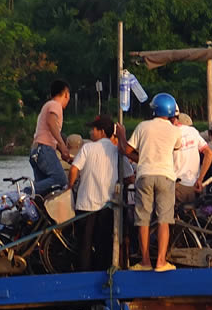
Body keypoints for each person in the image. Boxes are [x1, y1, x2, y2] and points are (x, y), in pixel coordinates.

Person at [124, 92, 183, 272]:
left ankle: (145, 261)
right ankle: (161, 262)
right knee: (164, 220)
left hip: (145, 175)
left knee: (143, 220)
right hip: (166, 176)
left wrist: (139, 156)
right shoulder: (175, 130)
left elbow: (127, 150)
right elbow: (177, 147)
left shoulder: (143, 126)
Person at [67, 117, 129, 270]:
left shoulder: (87, 148)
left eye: (93, 129)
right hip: (107, 206)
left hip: (86, 204)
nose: (91, 132)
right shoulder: (117, 151)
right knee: (103, 244)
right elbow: (130, 176)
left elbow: (74, 169)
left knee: (84, 244)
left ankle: (84, 274)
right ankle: (103, 273)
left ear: (101, 132)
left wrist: (70, 186)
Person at [30, 80, 72, 195]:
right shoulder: (55, 105)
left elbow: (51, 132)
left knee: (43, 192)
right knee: (60, 179)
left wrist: (63, 152)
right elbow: (51, 122)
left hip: (36, 151)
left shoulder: (47, 106)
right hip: (44, 149)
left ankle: (28, 197)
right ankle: (24, 192)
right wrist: (63, 145)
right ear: (66, 94)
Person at [173, 110, 212, 204]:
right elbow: (209, 153)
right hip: (193, 185)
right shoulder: (192, 131)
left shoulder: (169, 133)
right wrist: (200, 179)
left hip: (175, 185)